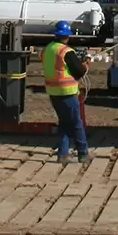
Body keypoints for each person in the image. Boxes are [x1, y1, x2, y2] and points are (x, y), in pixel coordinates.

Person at [42, 20, 91, 166]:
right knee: (76, 123)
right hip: (67, 92)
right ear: (67, 36)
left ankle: (63, 154)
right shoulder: (67, 51)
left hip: (53, 91)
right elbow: (79, 71)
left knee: (64, 123)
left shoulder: (47, 49)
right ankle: (83, 153)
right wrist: (87, 64)